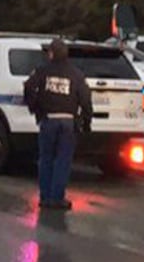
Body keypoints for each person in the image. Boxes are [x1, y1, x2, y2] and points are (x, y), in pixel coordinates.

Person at [23, 38, 92, 211]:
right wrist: (86, 120)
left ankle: (45, 197)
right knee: (63, 160)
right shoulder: (76, 74)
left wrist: (35, 107)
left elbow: (28, 88)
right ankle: (57, 197)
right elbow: (85, 98)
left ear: (51, 53)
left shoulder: (42, 71)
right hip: (68, 122)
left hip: (48, 120)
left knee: (46, 158)